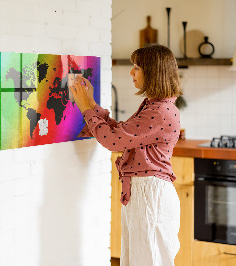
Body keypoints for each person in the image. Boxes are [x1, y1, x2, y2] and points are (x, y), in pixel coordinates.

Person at [70, 44, 182, 266]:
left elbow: (113, 141)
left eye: (137, 67)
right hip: (145, 193)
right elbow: (121, 133)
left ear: (153, 72)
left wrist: (85, 108)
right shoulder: (155, 106)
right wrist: (91, 104)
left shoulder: (159, 111)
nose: (131, 72)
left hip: (150, 195)